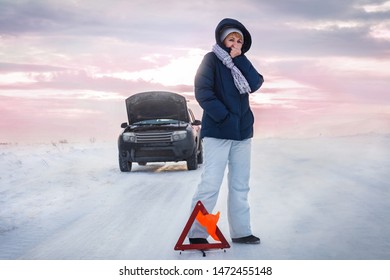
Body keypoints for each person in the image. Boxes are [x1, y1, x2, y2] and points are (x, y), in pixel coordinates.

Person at [188, 18, 264, 245]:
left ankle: (241, 232)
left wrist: (239, 59)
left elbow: (256, 83)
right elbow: (203, 92)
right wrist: (224, 117)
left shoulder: (241, 61)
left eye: (239, 40)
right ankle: (197, 233)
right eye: (231, 39)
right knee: (211, 182)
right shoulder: (210, 60)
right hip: (218, 132)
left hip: (242, 134)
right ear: (222, 39)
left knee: (240, 184)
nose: (234, 43)